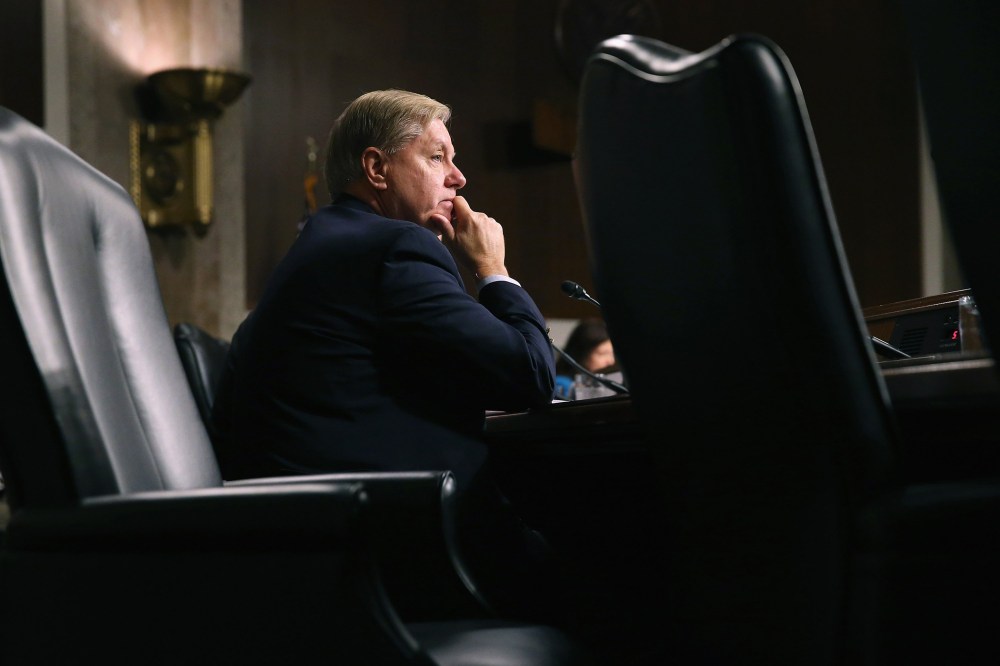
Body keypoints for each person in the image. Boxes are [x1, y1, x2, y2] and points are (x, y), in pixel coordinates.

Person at [212, 89, 558, 617]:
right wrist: (492, 269)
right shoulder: (394, 246)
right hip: (401, 556)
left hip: (313, 553)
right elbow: (529, 375)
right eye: (437, 156)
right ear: (376, 167)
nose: (458, 178)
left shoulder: (330, 243)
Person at [554, 318, 616, 399]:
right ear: (582, 353)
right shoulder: (561, 385)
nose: (610, 361)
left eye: (612, 354)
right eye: (602, 354)